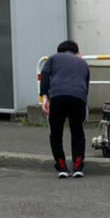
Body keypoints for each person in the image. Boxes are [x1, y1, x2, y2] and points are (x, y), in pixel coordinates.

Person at [40, 41, 90, 178]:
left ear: (59, 51)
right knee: (77, 131)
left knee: (56, 132)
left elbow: (44, 76)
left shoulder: (53, 58)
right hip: (78, 98)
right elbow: (86, 85)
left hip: (58, 96)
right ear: (76, 51)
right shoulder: (83, 63)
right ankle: (78, 165)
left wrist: (45, 98)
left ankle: (62, 166)